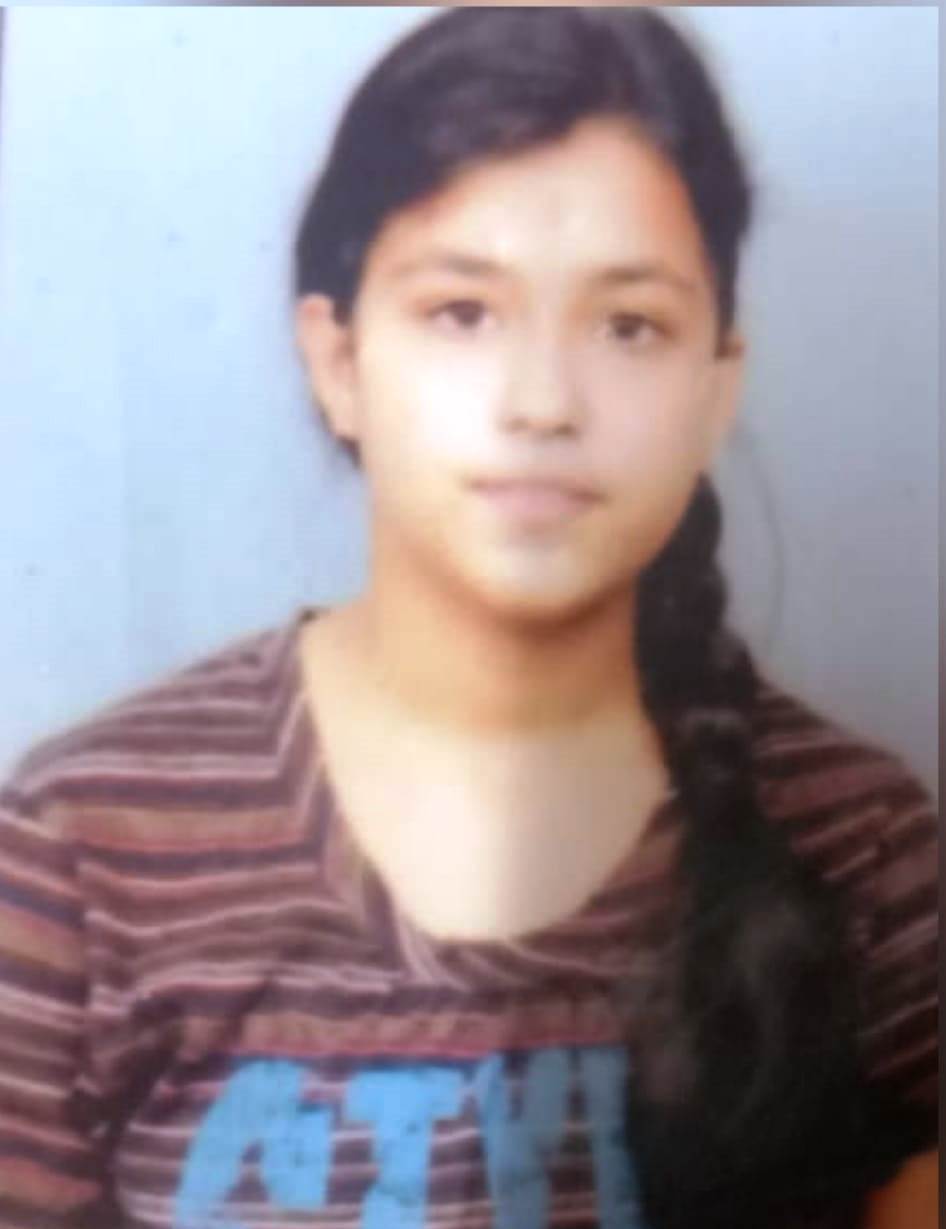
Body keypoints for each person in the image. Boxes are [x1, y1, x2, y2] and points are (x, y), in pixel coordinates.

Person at [0, 9, 937, 1229]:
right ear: (338, 362)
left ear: (716, 388)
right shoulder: (84, 847)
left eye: (629, 325)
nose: (541, 401)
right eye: (461, 311)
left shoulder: (863, 847)